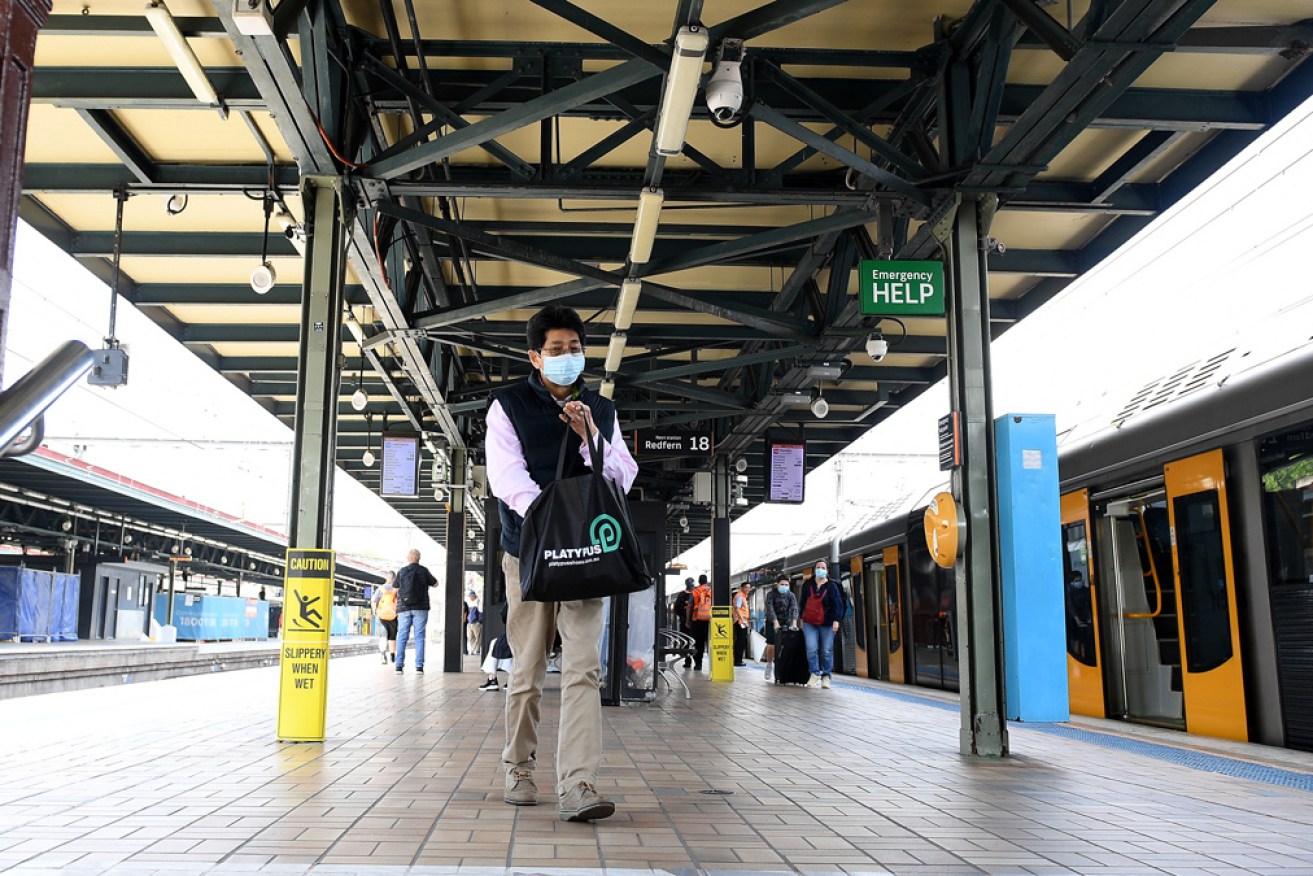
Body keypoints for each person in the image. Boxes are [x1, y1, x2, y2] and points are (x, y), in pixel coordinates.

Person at [485, 303, 638, 822]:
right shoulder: (506, 406)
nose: (568, 357)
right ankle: (519, 766)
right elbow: (507, 479)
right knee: (526, 666)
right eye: (556, 350)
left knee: (583, 669)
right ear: (535, 355)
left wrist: (588, 436)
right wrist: (550, 522)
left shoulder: (601, 410)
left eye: (575, 348)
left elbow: (621, 477)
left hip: (587, 556)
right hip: (527, 554)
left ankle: (579, 782)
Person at [798, 560, 843, 688]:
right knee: (811, 648)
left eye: (823, 568)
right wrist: (802, 619)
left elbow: (837, 605)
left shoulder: (832, 586)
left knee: (826, 650)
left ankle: (826, 676)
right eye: (818, 567)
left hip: (827, 622)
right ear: (814, 569)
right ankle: (814, 673)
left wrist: (836, 621)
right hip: (809, 622)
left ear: (827, 570)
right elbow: (802, 603)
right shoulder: (808, 585)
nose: (820, 569)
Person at [394, 549, 438, 674]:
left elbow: (395, 585)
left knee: (402, 636)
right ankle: (419, 667)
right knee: (419, 637)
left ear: (408, 558)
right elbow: (435, 583)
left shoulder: (402, 571)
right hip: (421, 608)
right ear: (419, 558)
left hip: (404, 608)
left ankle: (399, 666)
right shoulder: (423, 571)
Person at [763, 574, 798, 682]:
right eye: (782, 584)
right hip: (772, 622)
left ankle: (782, 669)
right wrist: (775, 621)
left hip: (785, 622)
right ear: (777, 584)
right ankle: (769, 664)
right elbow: (770, 608)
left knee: (785, 646)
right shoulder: (771, 594)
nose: (784, 586)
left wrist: (794, 623)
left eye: (786, 585)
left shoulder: (791, 595)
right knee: (771, 645)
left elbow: (794, 608)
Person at [371, 571, 399, 665]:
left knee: (383, 636)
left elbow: (374, 601)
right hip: (393, 616)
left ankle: (383, 655)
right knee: (392, 637)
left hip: (381, 616)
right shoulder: (396, 589)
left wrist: (375, 612)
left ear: (387, 578)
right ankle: (392, 655)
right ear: (394, 579)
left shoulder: (380, 589)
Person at [689, 574, 713, 672]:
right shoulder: (712, 591)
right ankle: (713, 666)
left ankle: (698, 664)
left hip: (697, 620)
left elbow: (689, 607)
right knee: (711, 642)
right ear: (707, 581)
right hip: (710, 620)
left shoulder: (695, 591)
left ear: (699, 581)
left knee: (698, 643)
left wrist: (688, 620)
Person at [672, 578, 694, 668]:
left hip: (686, 621)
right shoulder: (694, 594)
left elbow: (677, 608)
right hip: (692, 621)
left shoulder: (682, 595)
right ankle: (692, 662)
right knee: (691, 641)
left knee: (687, 641)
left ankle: (688, 661)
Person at [732, 582, 750, 667]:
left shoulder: (743, 596)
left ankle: (738, 660)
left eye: (749, 588)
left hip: (741, 621)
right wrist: (742, 619)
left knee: (741, 641)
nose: (748, 589)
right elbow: (737, 608)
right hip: (740, 622)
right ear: (741, 588)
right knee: (741, 641)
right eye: (746, 587)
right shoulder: (740, 596)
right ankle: (738, 660)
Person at [465, 591, 484, 656]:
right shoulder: (469, 602)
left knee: (477, 637)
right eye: (470, 596)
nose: (471, 597)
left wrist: (479, 621)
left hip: (476, 622)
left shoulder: (478, 602)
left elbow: (481, 612)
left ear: (474, 596)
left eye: (472, 596)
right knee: (470, 637)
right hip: (470, 622)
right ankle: (473, 649)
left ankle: (476, 650)